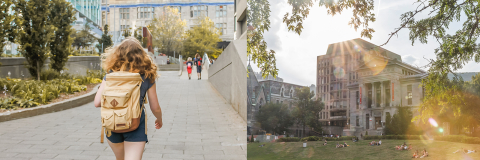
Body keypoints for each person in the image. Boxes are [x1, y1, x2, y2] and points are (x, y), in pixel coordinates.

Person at [94, 37, 163, 160]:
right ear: (141, 55)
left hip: (113, 123)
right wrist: (159, 119)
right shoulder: (147, 76)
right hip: (135, 124)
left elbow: (97, 102)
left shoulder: (110, 75)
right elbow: (155, 107)